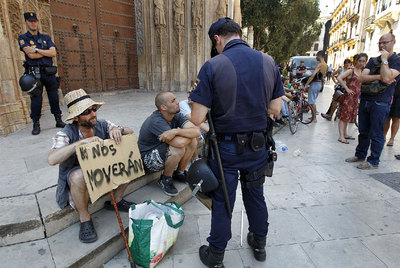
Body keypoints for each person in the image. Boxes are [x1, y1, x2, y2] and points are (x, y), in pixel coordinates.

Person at [190, 17, 284, 267]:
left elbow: (197, 117)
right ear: (239, 35)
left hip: (227, 150)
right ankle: (259, 244)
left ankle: (216, 255)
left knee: (223, 201)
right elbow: (275, 109)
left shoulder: (212, 66)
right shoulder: (268, 61)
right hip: (257, 146)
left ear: (217, 39)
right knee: (256, 196)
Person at [47, 89, 134, 243]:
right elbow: (52, 159)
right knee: (78, 176)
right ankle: (85, 218)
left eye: (94, 109)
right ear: (75, 117)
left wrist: (118, 130)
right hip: (79, 176)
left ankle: (117, 200)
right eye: (87, 111)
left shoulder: (103, 124)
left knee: (126, 157)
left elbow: (130, 132)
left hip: (100, 172)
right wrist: (81, 143)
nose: (93, 113)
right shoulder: (66, 133)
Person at [345, 33, 400, 169]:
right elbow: (362, 78)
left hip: (381, 101)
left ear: (393, 42)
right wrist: (380, 76)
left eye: (385, 42)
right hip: (366, 99)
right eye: (380, 43)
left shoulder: (396, 61)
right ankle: (360, 154)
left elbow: (388, 78)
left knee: (376, 133)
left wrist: (385, 60)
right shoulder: (373, 60)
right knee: (363, 130)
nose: (382, 45)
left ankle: (373, 161)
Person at [138, 92, 200, 196]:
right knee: (178, 148)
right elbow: (179, 143)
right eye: (173, 101)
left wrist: (176, 131)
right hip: (147, 159)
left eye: (176, 99)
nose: (177, 102)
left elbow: (197, 131)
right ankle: (165, 179)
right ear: (163, 107)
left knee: (192, 141)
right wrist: (188, 134)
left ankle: (179, 172)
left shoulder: (176, 115)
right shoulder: (156, 120)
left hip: (162, 150)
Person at [18, 12, 65, 135]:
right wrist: (44, 52)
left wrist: (37, 49)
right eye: (30, 21)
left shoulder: (46, 38)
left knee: (54, 97)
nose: (33, 23)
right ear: (26, 22)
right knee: (36, 100)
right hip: (35, 73)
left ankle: (58, 119)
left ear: (37, 22)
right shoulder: (23, 38)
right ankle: (36, 124)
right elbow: (31, 56)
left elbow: (53, 53)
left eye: (35, 21)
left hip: (49, 72)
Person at [337, 54, 368, 144]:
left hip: (355, 98)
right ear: (356, 61)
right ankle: (341, 136)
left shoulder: (361, 71)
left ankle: (345, 134)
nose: (362, 63)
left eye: (363, 61)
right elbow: (339, 78)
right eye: (360, 61)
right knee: (344, 116)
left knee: (348, 116)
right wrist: (347, 88)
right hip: (348, 97)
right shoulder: (352, 70)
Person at [304, 51, 328, 122]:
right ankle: (313, 117)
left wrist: (306, 84)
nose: (316, 57)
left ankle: (314, 118)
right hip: (319, 83)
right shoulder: (325, 65)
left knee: (311, 101)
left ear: (319, 55)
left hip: (315, 84)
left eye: (317, 56)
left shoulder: (319, 65)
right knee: (313, 100)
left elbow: (312, 75)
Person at [383, 79, 400, 146]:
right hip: (389, 93)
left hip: (398, 97)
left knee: (396, 118)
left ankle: (392, 139)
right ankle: (383, 136)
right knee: (387, 117)